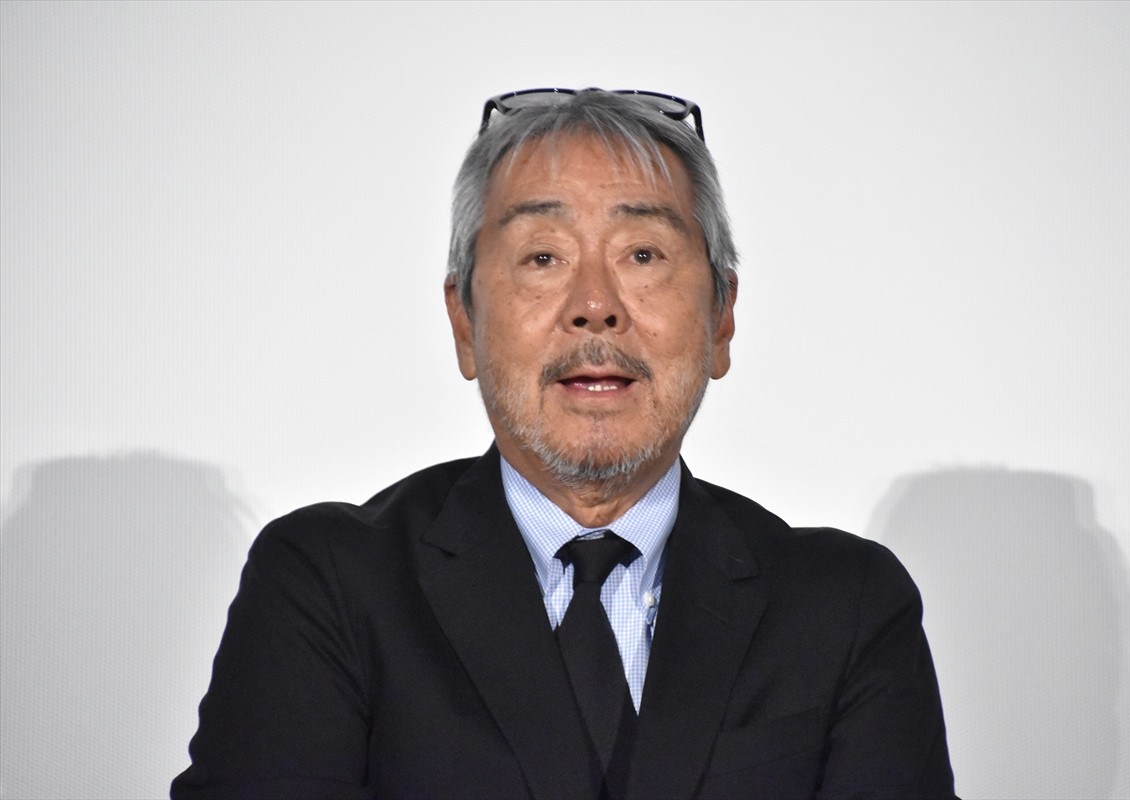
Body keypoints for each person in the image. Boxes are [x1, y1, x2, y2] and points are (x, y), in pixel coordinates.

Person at [172, 88, 955, 799]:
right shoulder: (332, 585)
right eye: (543, 257)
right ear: (464, 322)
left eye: (643, 255)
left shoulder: (845, 608)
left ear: (722, 319)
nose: (594, 306)